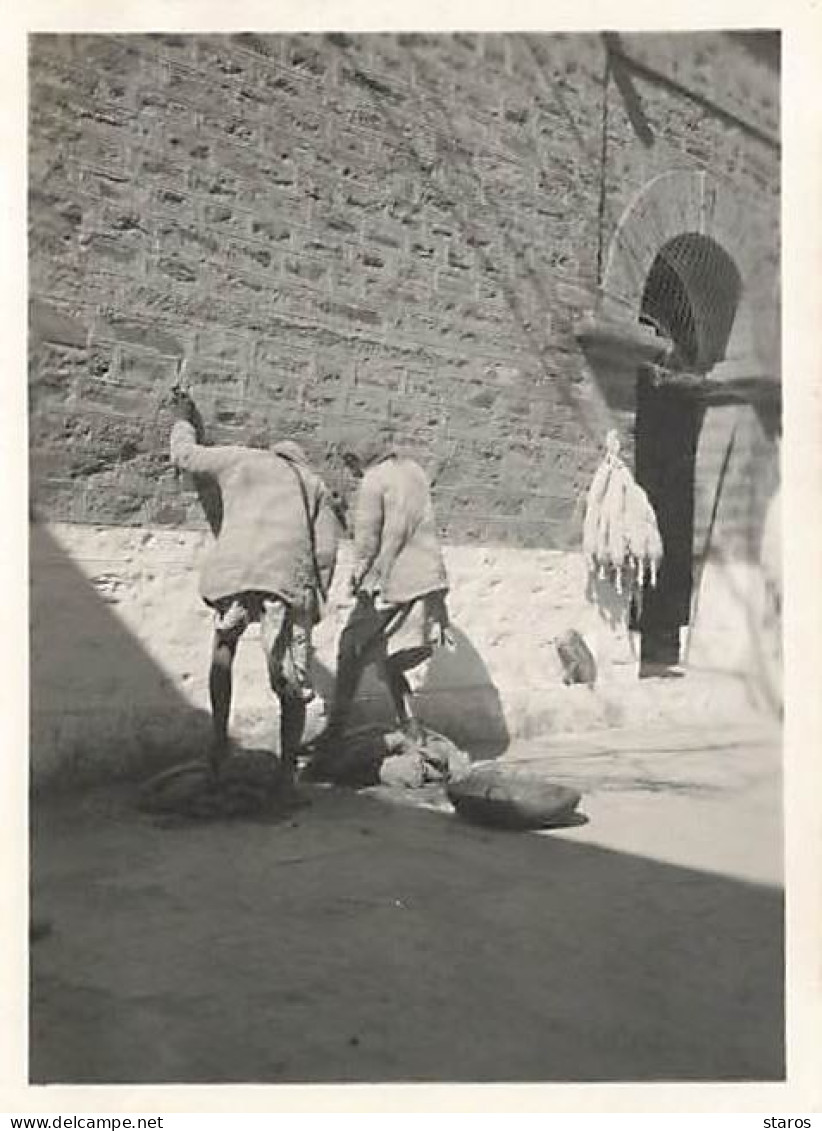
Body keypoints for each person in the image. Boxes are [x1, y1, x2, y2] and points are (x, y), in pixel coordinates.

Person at [167, 387, 341, 783]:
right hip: (285, 579)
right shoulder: (312, 483)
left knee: (224, 645)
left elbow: (185, 456)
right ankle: (285, 770)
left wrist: (181, 418)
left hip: (236, 569)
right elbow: (327, 551)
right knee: (289, 677)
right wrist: (315, 602)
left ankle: (217, 741)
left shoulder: (239, 458)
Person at [306, 432, 453, 767]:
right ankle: (410, 724)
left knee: (350, 648)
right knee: (388, 654)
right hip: (427, 577)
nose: (352, 473)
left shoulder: (375, 479)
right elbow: (401, 524)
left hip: (392, 581)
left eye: (350, 464)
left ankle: (336, 728)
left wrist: (357, 572)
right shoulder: (413, 470)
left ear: (360, 458)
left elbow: (369, 536)